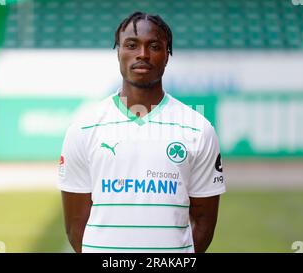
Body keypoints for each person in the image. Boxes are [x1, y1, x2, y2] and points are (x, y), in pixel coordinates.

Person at [58, 11, 226, 253]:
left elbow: (204, 224)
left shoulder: (198, 129)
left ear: (167, 56)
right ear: (118, 52)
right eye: (131, 44)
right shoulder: (84, 127)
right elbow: (75, 227)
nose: (143, 54)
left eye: (154, 46)